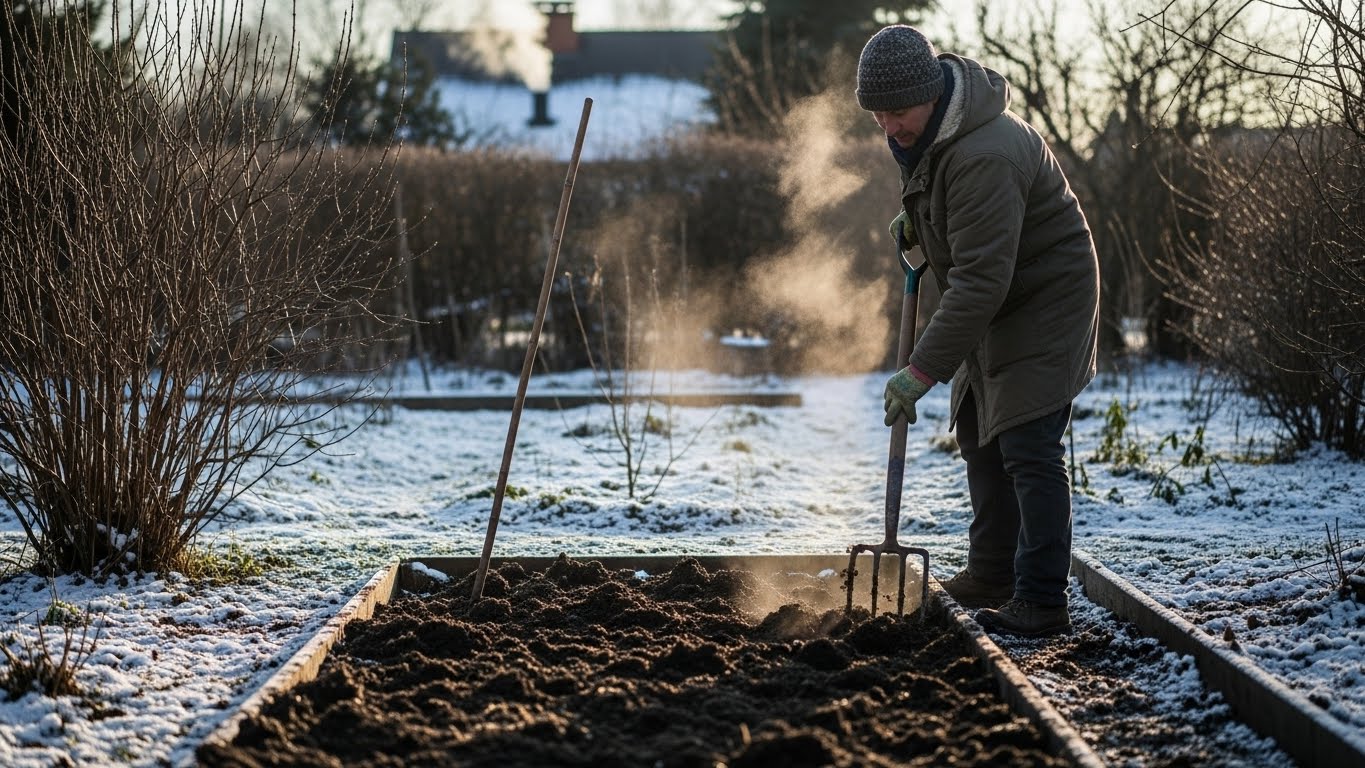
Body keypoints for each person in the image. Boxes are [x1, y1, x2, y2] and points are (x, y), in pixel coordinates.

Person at [855, 24, 1100, 636]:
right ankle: (992, 573)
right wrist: (919, 224)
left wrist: (920, 370)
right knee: (978, 433)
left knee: (1028, 446)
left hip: (1044, 301)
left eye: (898, 111)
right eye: (879, 115)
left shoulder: (985, 151)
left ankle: (1042, 600)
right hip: (1004, 297)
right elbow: (964, 237)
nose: (890, 126)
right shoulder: (938, 135)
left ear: (931, 94)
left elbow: (981, 282)